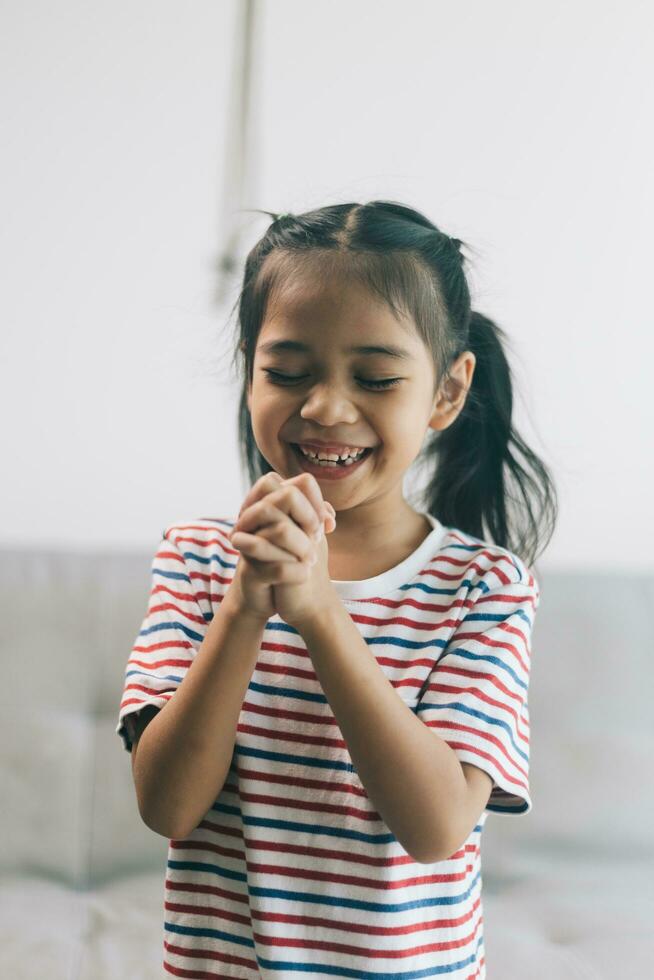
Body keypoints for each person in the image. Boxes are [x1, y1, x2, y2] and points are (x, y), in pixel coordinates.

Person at [116, 200, 558, 979]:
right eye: (286, 372)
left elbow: (436, 828)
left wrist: (318, 612)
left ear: (448, 394)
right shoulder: (196, 561)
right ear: (249, 370)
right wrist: (247, 606)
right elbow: (168, 807)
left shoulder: (485, 590)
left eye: (376, 377)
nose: (324, 407)